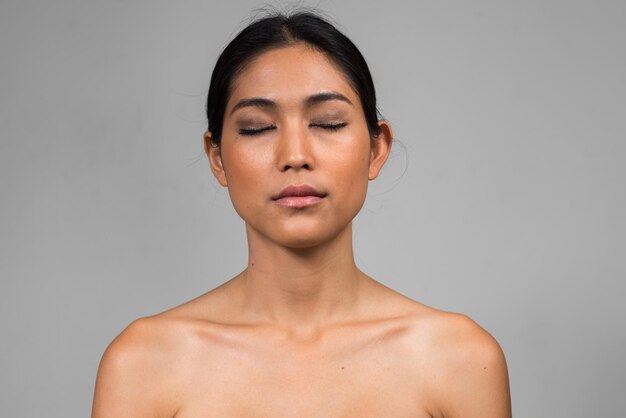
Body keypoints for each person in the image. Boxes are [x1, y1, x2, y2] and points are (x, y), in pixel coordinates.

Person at [92, 9, 512, 417]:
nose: (295, 155)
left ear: (376, 148)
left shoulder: (459, 359)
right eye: (257, 127)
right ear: (217, 158)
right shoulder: (144, 363)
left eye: (328, 123)